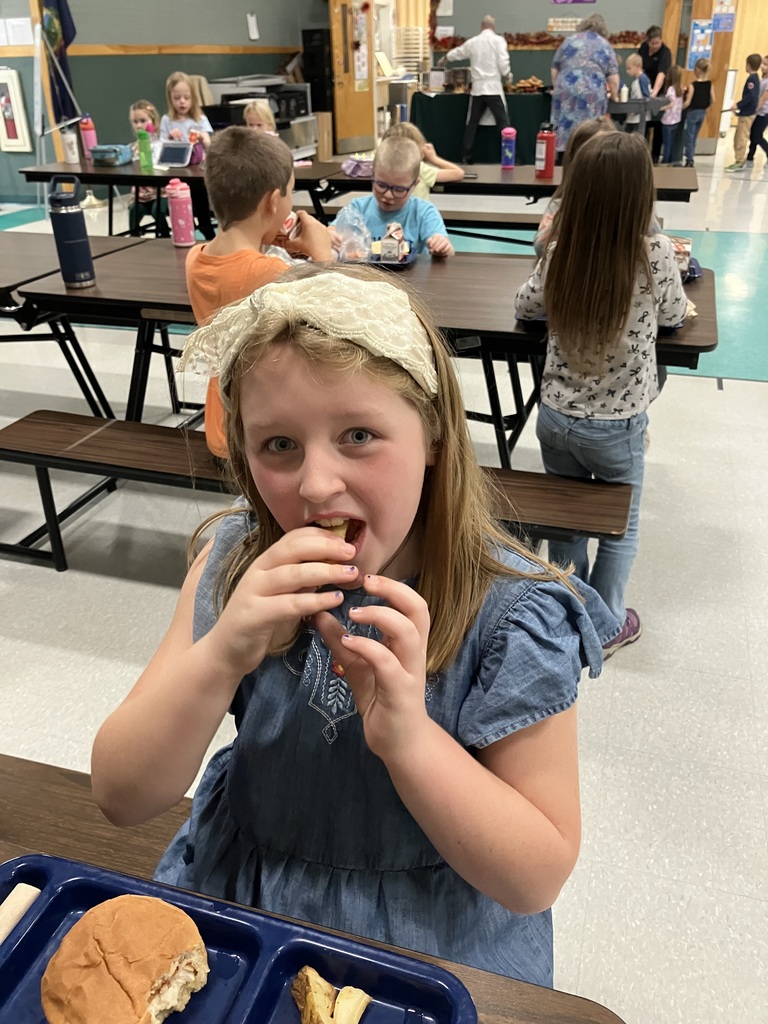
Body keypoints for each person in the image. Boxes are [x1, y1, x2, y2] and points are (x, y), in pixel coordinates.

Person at [91, 259, 617, 986]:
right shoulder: (235, 562)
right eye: (278, 445)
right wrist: (219, 656)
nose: (315, 484)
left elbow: (535, 876)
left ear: (433, 434)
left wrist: (409, 739)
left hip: (428, 949)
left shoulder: (514, 613)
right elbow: (121, 794)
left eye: (360, 435)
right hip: (245, 908)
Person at [515, 133, 687, 653]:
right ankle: (608, 623)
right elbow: (676, 314)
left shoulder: (563, 250)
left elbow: (526, 306)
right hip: (619, 425)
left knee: (567, 518)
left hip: (557, 416)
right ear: (642, 195)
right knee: (621, 526)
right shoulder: (654, 252)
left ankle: (570, 608)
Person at [185, 126, 334, 460]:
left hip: (220, 422)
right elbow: (334, 314)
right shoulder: (268, 273)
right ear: (272, 201)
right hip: (262, 430)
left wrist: (268, 241)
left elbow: (237, 276)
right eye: (290, 193)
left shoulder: (196, 257)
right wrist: (322, 255)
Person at [333, 137, 454, 257]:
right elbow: (330, 233)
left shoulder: (424, 212)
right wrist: (329, 234)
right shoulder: (356, 209)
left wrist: (442, 247)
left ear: (414, 185)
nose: (388, 195)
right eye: (381, 185)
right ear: (372, 175)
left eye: (399, 189)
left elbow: (449, 253)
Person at [533, 117, 618, 258]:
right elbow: (540, 247)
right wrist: (570, 212)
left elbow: (657, 245)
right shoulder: (560, 205)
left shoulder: (632, 206)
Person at [442, 15, 510, 164]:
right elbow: (503, 61)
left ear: (481, 26)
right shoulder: (499, 41)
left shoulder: (473, 42)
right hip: (493, 88)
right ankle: (509, 154)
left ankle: (466, 156)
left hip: (478, 89)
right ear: (493, 26)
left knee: (472, 124)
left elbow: (458, 52)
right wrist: (507, 74)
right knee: (503, 123)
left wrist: (446, 57)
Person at [550, 14, 619, 159]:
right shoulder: (605, 44)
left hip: (565, 88)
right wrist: (614, 95)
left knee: (564, 127)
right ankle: (587, 159)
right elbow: (613, 77)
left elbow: (555, 68)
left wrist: (558, 87)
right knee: (591, 129)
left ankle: (562, 160)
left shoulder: (569, 40)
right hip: (592, 91)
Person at [160, 70, 216, 239]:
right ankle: (185, 232)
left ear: (193, 98)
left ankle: (208, 232)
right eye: (177, 98)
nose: (182, 102)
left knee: (201, 206)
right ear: (170, 98)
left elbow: (210, 147)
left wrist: (203, 138)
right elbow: (160, 148)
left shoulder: (200, 119)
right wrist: (170, 139)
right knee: (183, 207)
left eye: (186, 97)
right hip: (177, 174)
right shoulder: (167, 121)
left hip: (197, 173)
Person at [382, 121, 464, 198]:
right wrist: (434, 159)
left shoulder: (384, 168)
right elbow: (458, 173)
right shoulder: (420, 169)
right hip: (419, 213)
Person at [128, 100, 169, 238]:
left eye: (143, 121)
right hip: (140, 195)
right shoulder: (133, 147)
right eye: (135, 121)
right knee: (134, 210)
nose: (139, 125)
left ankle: (164, 237)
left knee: (157, 210)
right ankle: (133, 239)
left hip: (161, 192)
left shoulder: (160, 144)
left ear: (154, 122)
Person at [638, 26, 673, 163]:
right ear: (648, 42)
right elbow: (639, 68)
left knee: (657, 124)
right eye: (652, 43)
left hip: (659, 89)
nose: (655, 46)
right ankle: (642, 153)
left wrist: (654, 92)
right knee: (644, 122)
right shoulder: (643, 49)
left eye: (657, 43)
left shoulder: (665, 52)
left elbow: (661, 73)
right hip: (645, 87)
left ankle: (655, 156)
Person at [727, 53, 763, 171]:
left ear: (748, 65)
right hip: (746, 112)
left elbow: (750, 96)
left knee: (741, 137)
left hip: (747, 114)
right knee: (739, 136)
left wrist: (738, 104)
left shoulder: (752, 79)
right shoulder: (755, 78)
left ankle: (740, 160)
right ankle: (739, 159)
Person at [681, 58, 714, 168]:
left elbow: (688, 101)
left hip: (692, 113)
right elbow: (713, 99)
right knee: (694, 136)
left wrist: (679, 108)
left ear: (697, 69)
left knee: (689, 136)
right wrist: (707, 107)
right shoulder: (710, 84)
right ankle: (691, 156)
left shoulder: (692, 85)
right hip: (702, 112)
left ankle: (689, 159)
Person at [659, 65, 684, 165]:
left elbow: (671, 103)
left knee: (667, 143)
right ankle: (671, 160)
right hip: (676, 119)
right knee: (672, 142)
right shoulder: (680, 89)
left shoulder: (670, 89)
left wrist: (661, 108)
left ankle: (665, 160)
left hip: (668, 120)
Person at [746, 54, 768, 166]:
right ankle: (750, 156)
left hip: (764, 113)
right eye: (762, 64)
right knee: (753, 134)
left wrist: (755, 109)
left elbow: (764, 98)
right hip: (759, 112)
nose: (763, 66)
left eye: (766, 65)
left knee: (757, 136)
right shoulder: (763, 79)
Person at [623, 54, 651, 134]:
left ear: (637, 66)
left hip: (639, 117)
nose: (627, 71)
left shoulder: (642, 79)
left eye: (629, 68)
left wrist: (635, 111)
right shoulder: (637, 81)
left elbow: (645, 97)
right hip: (634, 115)